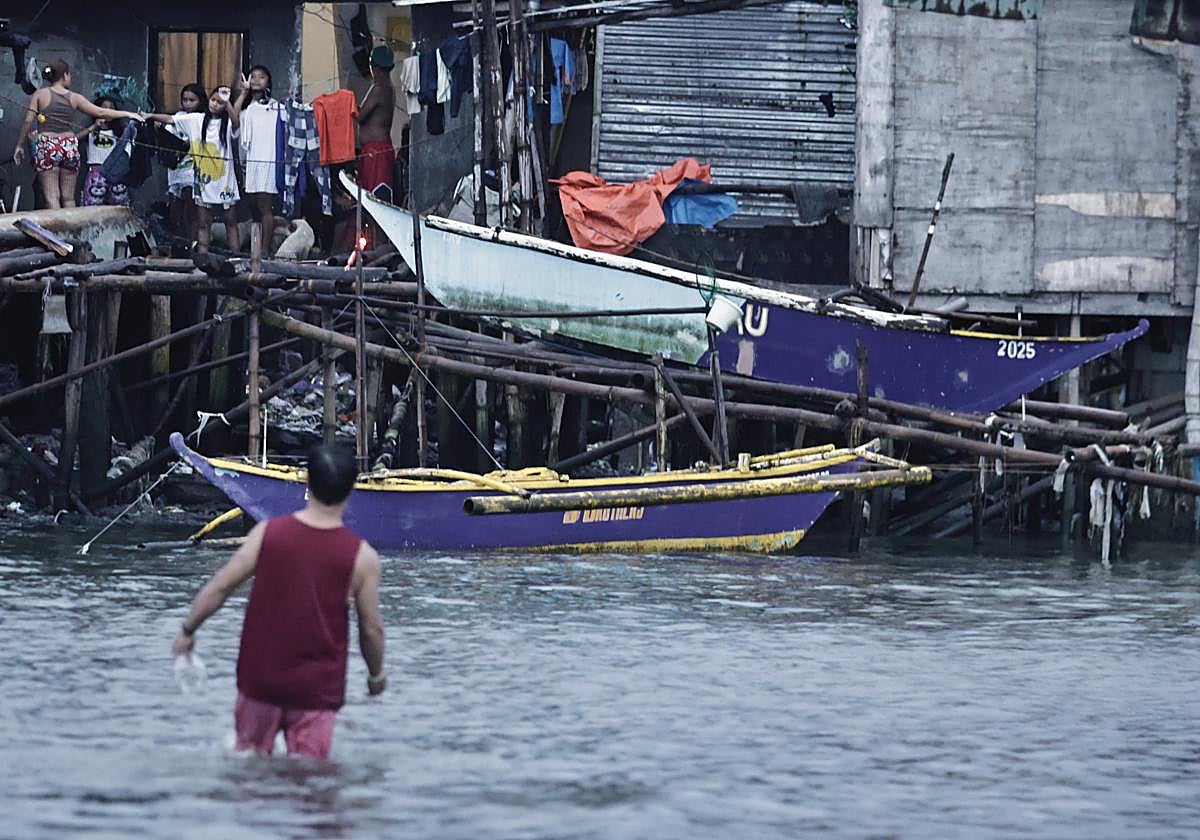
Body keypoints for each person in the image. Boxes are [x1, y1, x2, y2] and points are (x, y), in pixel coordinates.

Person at [171, 443, 385, 760]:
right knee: (310, 783)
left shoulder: (268, 534)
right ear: (351, 490)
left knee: (249, 771)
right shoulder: (362, 558)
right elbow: (370, 629)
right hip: (316, 689)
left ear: (307, 483)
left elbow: (221, 586)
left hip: (261, 680)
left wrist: (188, 630)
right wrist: (375, 675)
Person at [11, 59, 142, 209]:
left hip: (48, 145)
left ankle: (59, 231)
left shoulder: (40, 95)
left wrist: (19, 145)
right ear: (65, 75)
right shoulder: (74, 97)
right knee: (68, 198)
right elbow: (100, 111)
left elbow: (28, 121)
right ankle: (72, 232)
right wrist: (128, 114)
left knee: (52, 197)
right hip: (69, 146)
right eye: (70, 75)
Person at [144, 86, 242, 253]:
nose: (215, 104)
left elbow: (236, 122)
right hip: (202, 181)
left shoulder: (227, 124)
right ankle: (202, 258)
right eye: (213, 100)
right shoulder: (196, 119)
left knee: (230, 220)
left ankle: (237, 257)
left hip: (224, 180)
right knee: (203, 222)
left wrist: (228, 104)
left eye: (220, 103)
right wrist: (151, 116)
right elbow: (170, 120)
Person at [232, 65, 281, 254]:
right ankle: (257, 246)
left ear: (268, 81)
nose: (256, 80)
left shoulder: (275, 107)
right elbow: (234, 119)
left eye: (262, 77)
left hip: (268, 161)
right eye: (253, 77)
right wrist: (243, 94)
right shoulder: (246, 109)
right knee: (253, 206)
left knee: (264, 206)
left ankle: (264, 251)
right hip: (250, 163)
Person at [166, 83, 207, 240]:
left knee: (191, 214)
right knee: (175, 213)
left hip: (194, 171)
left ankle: (192, 246)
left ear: (200, 101)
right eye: (185, 100)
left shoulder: (204, 119)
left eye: (192, 100)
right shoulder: (177, 118)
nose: (188, 103)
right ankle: (180, 246)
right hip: (177, 170)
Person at [357, 45, 396, 202]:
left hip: (376, 154)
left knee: (374, 199)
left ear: (373, 66)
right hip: (380, 150)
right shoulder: (389, 88)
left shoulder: (378, 88)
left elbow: (360, 116)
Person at [78, 96, 129, 207]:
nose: (108, 111)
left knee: (118, 207)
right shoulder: (91, 130)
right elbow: (76, 139)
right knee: (92, 207)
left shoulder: (120, 132)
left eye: (111, 108)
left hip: (115, 174)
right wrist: (94, 126)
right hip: (96, 173)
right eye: (104, 107)